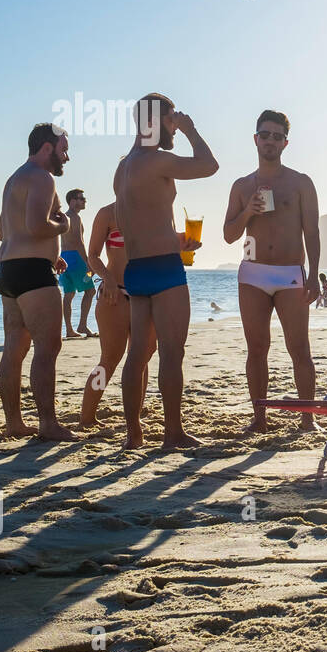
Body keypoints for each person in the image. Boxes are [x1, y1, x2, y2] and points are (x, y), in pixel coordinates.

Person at [113, 94, 217, 449]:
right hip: (163, 269)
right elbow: (209, 165)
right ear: (154, 122)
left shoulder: (124, 166)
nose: (175, 123)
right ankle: (172, 433)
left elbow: (139, 225)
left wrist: (177, 240)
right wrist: (190, 129)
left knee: (138, 354)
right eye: (171, 118)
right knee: (173, 352)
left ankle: (134, 435)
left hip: (137, 269)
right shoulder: (156, 160)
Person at [223, 109, 321, 435]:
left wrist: (314, 273)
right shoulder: (241, 186)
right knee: (257, 349)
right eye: (265, 135)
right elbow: (228, 235)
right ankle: (260, 418)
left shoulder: (300, 183)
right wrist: (247, 210)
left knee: (300, 349)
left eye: (277, 136)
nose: (270, 141)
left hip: (290, 271)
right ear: (255, 139)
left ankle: (308, 418)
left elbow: (313, 231)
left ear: (285, 143)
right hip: (252, 273)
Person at [0, 124, 74, 441]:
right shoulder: (43, 178)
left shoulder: (14, 179)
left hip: (8, 269)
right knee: (48, 346)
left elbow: (4, 232)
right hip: (32, 273)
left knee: (14, 347)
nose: (66, 156)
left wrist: (50, 255)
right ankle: (48, 424)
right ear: (46, 148)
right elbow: (38, 226)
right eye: (63, 149)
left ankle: (13, 422)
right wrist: (63, 222)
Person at [79, 201, 156, 428]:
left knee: (141, 358)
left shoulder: (153, 208)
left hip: (146, 292)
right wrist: (108, 278)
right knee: (109, 360)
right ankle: (87, 416)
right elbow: (93, 255)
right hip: (115, 293)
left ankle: (135, 417)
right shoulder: (107, 213)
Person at [58, 188, 97, 338]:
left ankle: (69, 329)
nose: (84, 200)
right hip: (76, 259)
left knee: (69, 293)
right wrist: (88, 262)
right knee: (90, 290)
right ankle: (82, 325)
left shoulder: (63, 217)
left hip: (64, 257)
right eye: (81, 198)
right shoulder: (74, 217)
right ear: (72, 201)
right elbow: (78, 241)